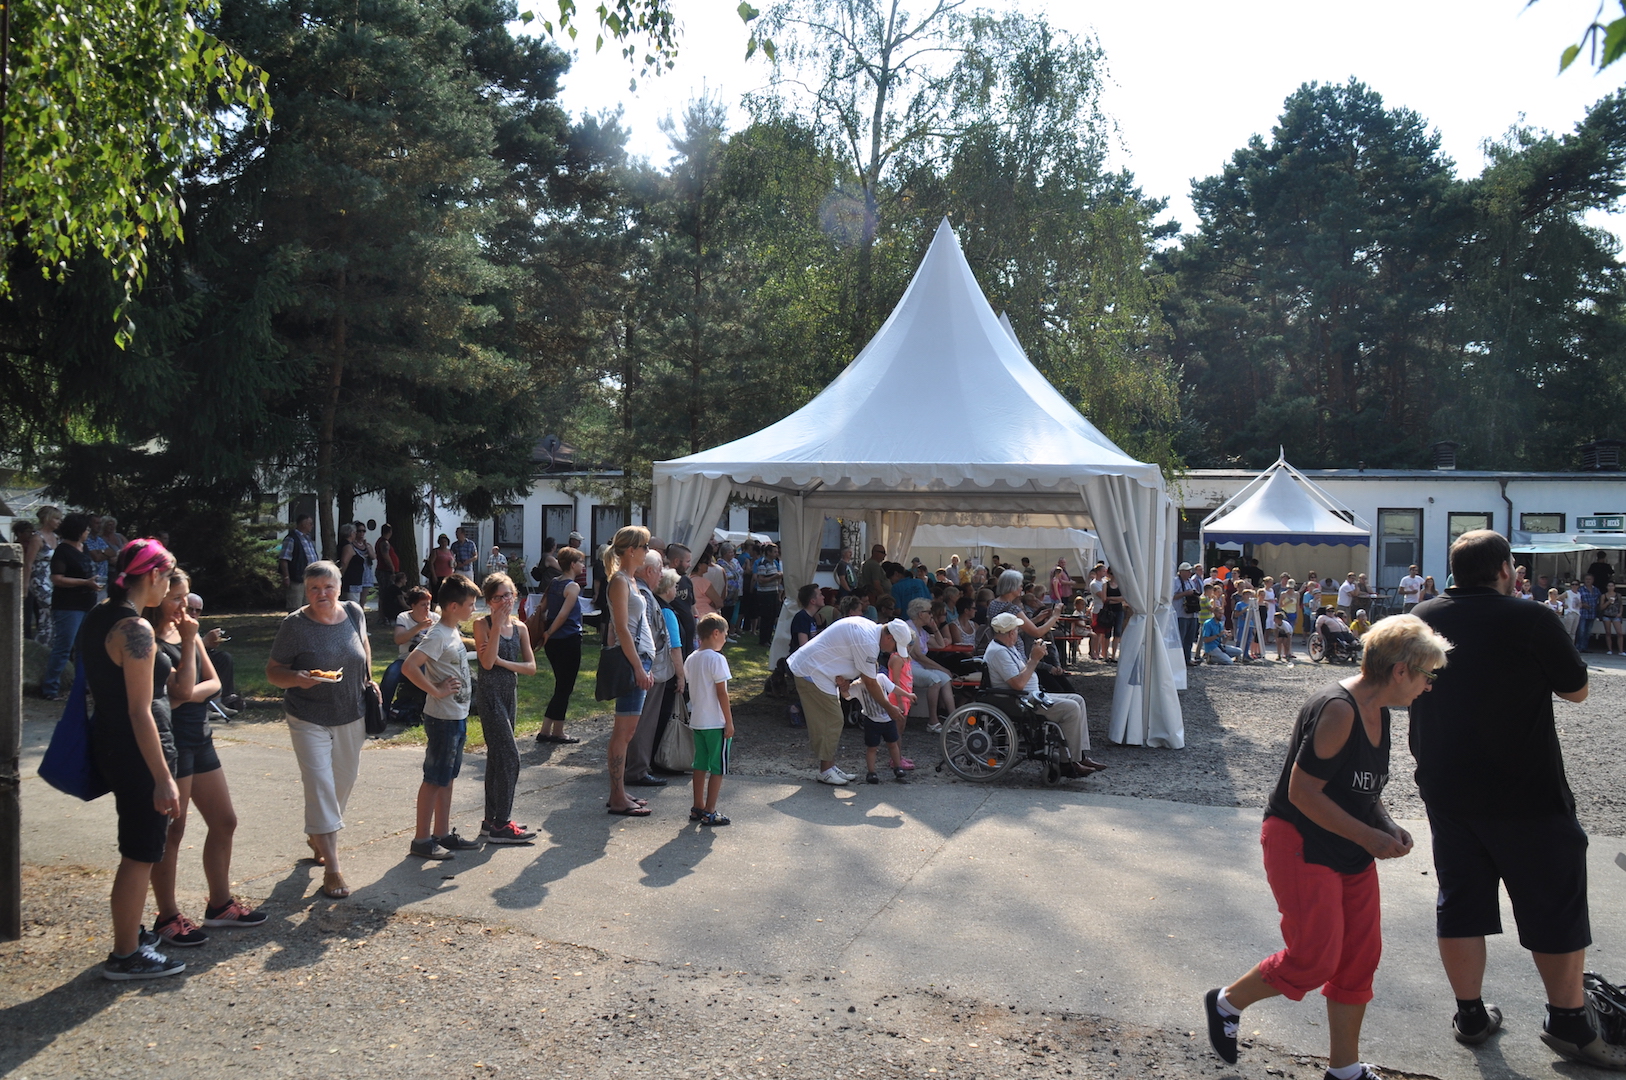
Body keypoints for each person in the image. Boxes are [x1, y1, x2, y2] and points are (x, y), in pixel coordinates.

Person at [1408, 530, 1621, 1068]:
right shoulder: (1531, 617)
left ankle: (1470, 1015)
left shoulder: (1421, 616)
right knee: (1553, 899)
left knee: (1461, 899)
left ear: (1454, 569)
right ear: (1505, 569)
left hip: (1446, 784)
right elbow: (1576, 690)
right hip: (1525, 786)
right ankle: (1568, 1020)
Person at [1203, 615, 1447, 1080]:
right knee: (1314, 959)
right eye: (1426, 675)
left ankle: (1344, 1071)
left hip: (1347, 845)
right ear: (1400, 671)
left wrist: (1386, 824)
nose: (1429, 686)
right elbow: (1302, 793)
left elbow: (1362, 788)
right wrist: (1370, 837)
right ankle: (1226, 1002)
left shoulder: (1380, 709)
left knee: (1359, 958)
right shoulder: (1339, 709)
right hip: (1300, 842)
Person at [146, 569, 266, 946]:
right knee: (174, 831)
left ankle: (220, 905)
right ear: (158, 597)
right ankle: (167, 917)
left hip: (200, 737)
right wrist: (188, 682)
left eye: (186, 597)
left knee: (225, 821)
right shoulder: (150, 639)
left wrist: (188, 692)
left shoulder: (189, 633)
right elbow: (180, 689)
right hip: (174, 741)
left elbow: (212, 684)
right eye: (175, 598)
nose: (183, 606)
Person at [86, 539, 187, 979]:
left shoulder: (100, 615)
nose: (168, 587)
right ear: (154, 576)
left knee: (138, 847)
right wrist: (162, 777)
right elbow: (139, 710)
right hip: (139, 752)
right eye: (167, 577)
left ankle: (131, 934)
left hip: (114, 745)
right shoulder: (136, 629)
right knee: (140, 853)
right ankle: (126, 954)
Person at [266, 561, 371, 899]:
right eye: (314, 588)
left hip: (351, 712)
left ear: (339, 588)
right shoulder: (294, 625)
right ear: (306, 591)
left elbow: (363, 646)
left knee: (343, 781)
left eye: (328, 587)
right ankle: (333, 869)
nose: (322, 593)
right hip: (308, 715)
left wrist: (368, 680)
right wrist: (296, 678)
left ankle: (318, 833)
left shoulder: (354, 612)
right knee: (320, 784)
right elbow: (273, 670)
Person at [403, 574, 481, 858]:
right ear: (453, 606)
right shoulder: (437, 635)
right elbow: (410, 666)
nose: (474, 609)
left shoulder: (450, 630)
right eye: (470, 604)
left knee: (447, 778)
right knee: (435, 779)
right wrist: (436, 690)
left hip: (456, 716)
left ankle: (442, 833)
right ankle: (422, 840)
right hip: (442, 718)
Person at [787, 615, 912, 785]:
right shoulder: (868, 642)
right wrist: (888, 707)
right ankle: (825, 771)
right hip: (812, 672)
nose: (893, 651)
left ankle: (829, 767)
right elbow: (870, 682)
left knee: (831, 720)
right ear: (889, 637)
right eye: (895, 646)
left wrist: (845, 677)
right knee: (832, 720)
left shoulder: (869, 630)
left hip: (818, 672)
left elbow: (847, 657)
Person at [984, 611, 1106, 776]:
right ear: (1011, 632)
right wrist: (1034, 659)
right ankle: (1067, 763)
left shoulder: (1006, 648)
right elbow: (1018, 684)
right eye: (1016, 631)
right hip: (1019, 700)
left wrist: (1034, 658)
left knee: (1078, 700)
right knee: (1071, 708)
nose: (1018, 634)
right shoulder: (999, 652)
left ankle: (1079, 755)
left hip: (1030, 695)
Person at [473, 572, 537, 845]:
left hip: (509, 694)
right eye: (497, 597)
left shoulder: (521, 628)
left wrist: (503, 662)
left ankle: (491, 820)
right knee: (510, 757)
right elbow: (487, 663)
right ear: (489, 601)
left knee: (497, 758)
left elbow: (531, 667)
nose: (503, 602)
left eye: (507, 595)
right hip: (490, 696)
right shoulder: (482, 625)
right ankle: (502, 823)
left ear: (515, 596)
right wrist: (497, 629)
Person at [602, 526, 656, 816]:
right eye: (644, 546)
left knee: (628, 731)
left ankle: (619, 791)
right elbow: (621, 628)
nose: (647, 552)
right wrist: (638, 667)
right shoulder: (620, 581)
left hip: (641, 659)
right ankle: (617, 796)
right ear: (632, 550)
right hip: (632, 661)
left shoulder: (630, 581)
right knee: (624, 732)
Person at [623, 550, 678, 791]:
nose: (661, 576)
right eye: (659, 571)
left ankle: (634, 767)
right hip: (648, 669)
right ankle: (637, 769)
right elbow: (642, 635)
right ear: (649, 571)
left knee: (638, 720)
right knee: (643, 722)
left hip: (646, 667)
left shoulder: (639, 592)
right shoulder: (642, 594)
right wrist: (643, 667)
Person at [684, 613, 734, 826]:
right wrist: (729, 721)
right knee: (718, 767)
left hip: (698, 720)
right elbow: (722, 692)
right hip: (716, 722)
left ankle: (698, 805)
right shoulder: (717, 659)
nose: (725, 639)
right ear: (716, 633)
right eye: (725, 635)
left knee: (700, 764)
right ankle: (710, 810)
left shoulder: (691, 658)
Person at [42, 513, 97, 700]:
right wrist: (85, 582)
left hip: (87, 602)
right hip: (68, 605)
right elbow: (57, 578)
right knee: (64, 646)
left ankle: (81, 684)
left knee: (84, 647)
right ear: (77, 530)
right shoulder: (63, 550)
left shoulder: (84, 548)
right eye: (86, 529)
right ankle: (50, 687)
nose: (88, 532)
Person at [535, 546, 586, 745]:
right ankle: (556, 732)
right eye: (580, 562)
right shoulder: (572, 587)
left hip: (553, 642)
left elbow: (542, 607)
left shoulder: (554, 583)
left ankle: (548, 730)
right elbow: (564, 615)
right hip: (568, 639)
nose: (583, 566)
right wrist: (549, 632)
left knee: (561, 686)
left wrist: (547, 632)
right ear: (572, 564)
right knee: (565, 687)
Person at [382, 585, 437, 725]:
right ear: (413, 605)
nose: (427, 608)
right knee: (391, 673)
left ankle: (425, 712)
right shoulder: (404, 617)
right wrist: (419, 627)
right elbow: (398, 639)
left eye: (428, 604)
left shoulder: (435, 618)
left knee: (426, 674)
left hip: (426, 662)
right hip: (405, 660)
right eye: (423, 605)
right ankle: (382, 712)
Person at [906, 597, 954, 733]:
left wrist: (935, 628)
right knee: (935, 680)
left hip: (919, 666)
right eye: (929, 612)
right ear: (921, 614)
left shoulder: (921, 630)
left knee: (945, 678)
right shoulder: (909, 628)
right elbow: (918, 656)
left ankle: (954, 720)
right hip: (908, 667)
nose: (931, 615)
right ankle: (933, 721)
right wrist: (941, 668)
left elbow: (940, 644)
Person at [188, 593, 241, 714]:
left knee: (223, 658)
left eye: (197, 611)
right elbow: (179, 650)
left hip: (196, 655)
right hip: (183, 662)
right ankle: (204, 704)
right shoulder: (175, 624)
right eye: (190, 609)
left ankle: (222, 700)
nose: (194, 613)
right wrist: (204, 642)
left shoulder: (193, 626)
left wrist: (209, 644)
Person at [26, 505, 61, 649]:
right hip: (39, 578)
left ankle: (45, 644)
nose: (59, 522)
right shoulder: (37, 538)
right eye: (56, 518)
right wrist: (24, 584)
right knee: (50, 605)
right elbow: (28, 562)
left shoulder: (56, 538)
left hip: (52, 578)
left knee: (49, 615)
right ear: (47, 519)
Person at [277, 514, 319, 612]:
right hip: (297, 578)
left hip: (310, 579)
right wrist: (286, 577)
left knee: (308, 607)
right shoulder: (291, 538)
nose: (312, 526)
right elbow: (284, 559)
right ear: (303, 524)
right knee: (295, 606)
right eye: (310, 523)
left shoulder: (308, 538)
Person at [752, 542, 785, 647]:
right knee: (766, 617)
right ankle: (763, 639)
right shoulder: (763, 563)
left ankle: (768, 638)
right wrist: (775, 577)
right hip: (765, 594)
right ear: (768, 552)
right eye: (774, 552)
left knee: (772, 616)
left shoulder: (774, 563)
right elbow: (761, 580)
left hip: (773, 592)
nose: (777, 553)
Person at [1201, 596, 1244, 665]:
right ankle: (1212, 657)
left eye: (1222, 613)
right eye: (1219, 613)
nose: (1221, 615)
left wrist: (1227, 637)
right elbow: (1206, 640)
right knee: (1229, 662)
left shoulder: (1220, 624)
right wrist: (1218, 635)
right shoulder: (1208, 623)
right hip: (1211, 647)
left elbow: (1223, 642)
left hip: (1219, 645)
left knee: (1239, 651)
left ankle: (1216, 657)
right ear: (1215, 613)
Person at [1175, 563, 1202, 667]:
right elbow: (1171, 596)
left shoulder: (1191, 581)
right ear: (1181, 571)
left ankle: (1187, 659)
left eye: (1190, 571)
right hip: (1181, 614)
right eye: (1187, 571)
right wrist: (1185, 593)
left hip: (1192, 614)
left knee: (1189, 639)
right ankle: (1178, 660)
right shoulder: (1175, 581)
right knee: (1180, 639)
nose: (1189, 573)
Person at [790, 583, 822, 652]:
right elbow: (804, 645)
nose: (823, 597)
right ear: (813, 601)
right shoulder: (802, 617)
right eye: (820, 595)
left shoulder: (812, 618)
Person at [1574, 573, 1600, 652]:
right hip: (1582, 613)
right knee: (1581, 631)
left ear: (1593, 580)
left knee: (1588, 632)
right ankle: (1578, 647)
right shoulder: (1580, 590)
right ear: (1584, 580)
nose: (1588, 581)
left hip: (1592, 614)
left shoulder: (1596, 590)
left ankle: (1584, 647)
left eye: (1590, 579)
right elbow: (1575, 600)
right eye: (1586, 579)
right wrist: (1582, 604)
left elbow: (1599, 600)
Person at [1599, 582, 1623, 655]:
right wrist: (1608, 602)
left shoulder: (1618, 595)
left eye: (1612, 586)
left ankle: (1621, 651)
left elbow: (1620, 605)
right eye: (1609, 586)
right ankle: (1610, 650)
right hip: (1606, 615)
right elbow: (1601, 607)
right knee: (1608, 633)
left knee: (1619, 633)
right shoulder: (1603, 596)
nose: (1610, 587)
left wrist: (1620, 613)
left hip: (1616, 615)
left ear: (1614, 587)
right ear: (1607, 587)